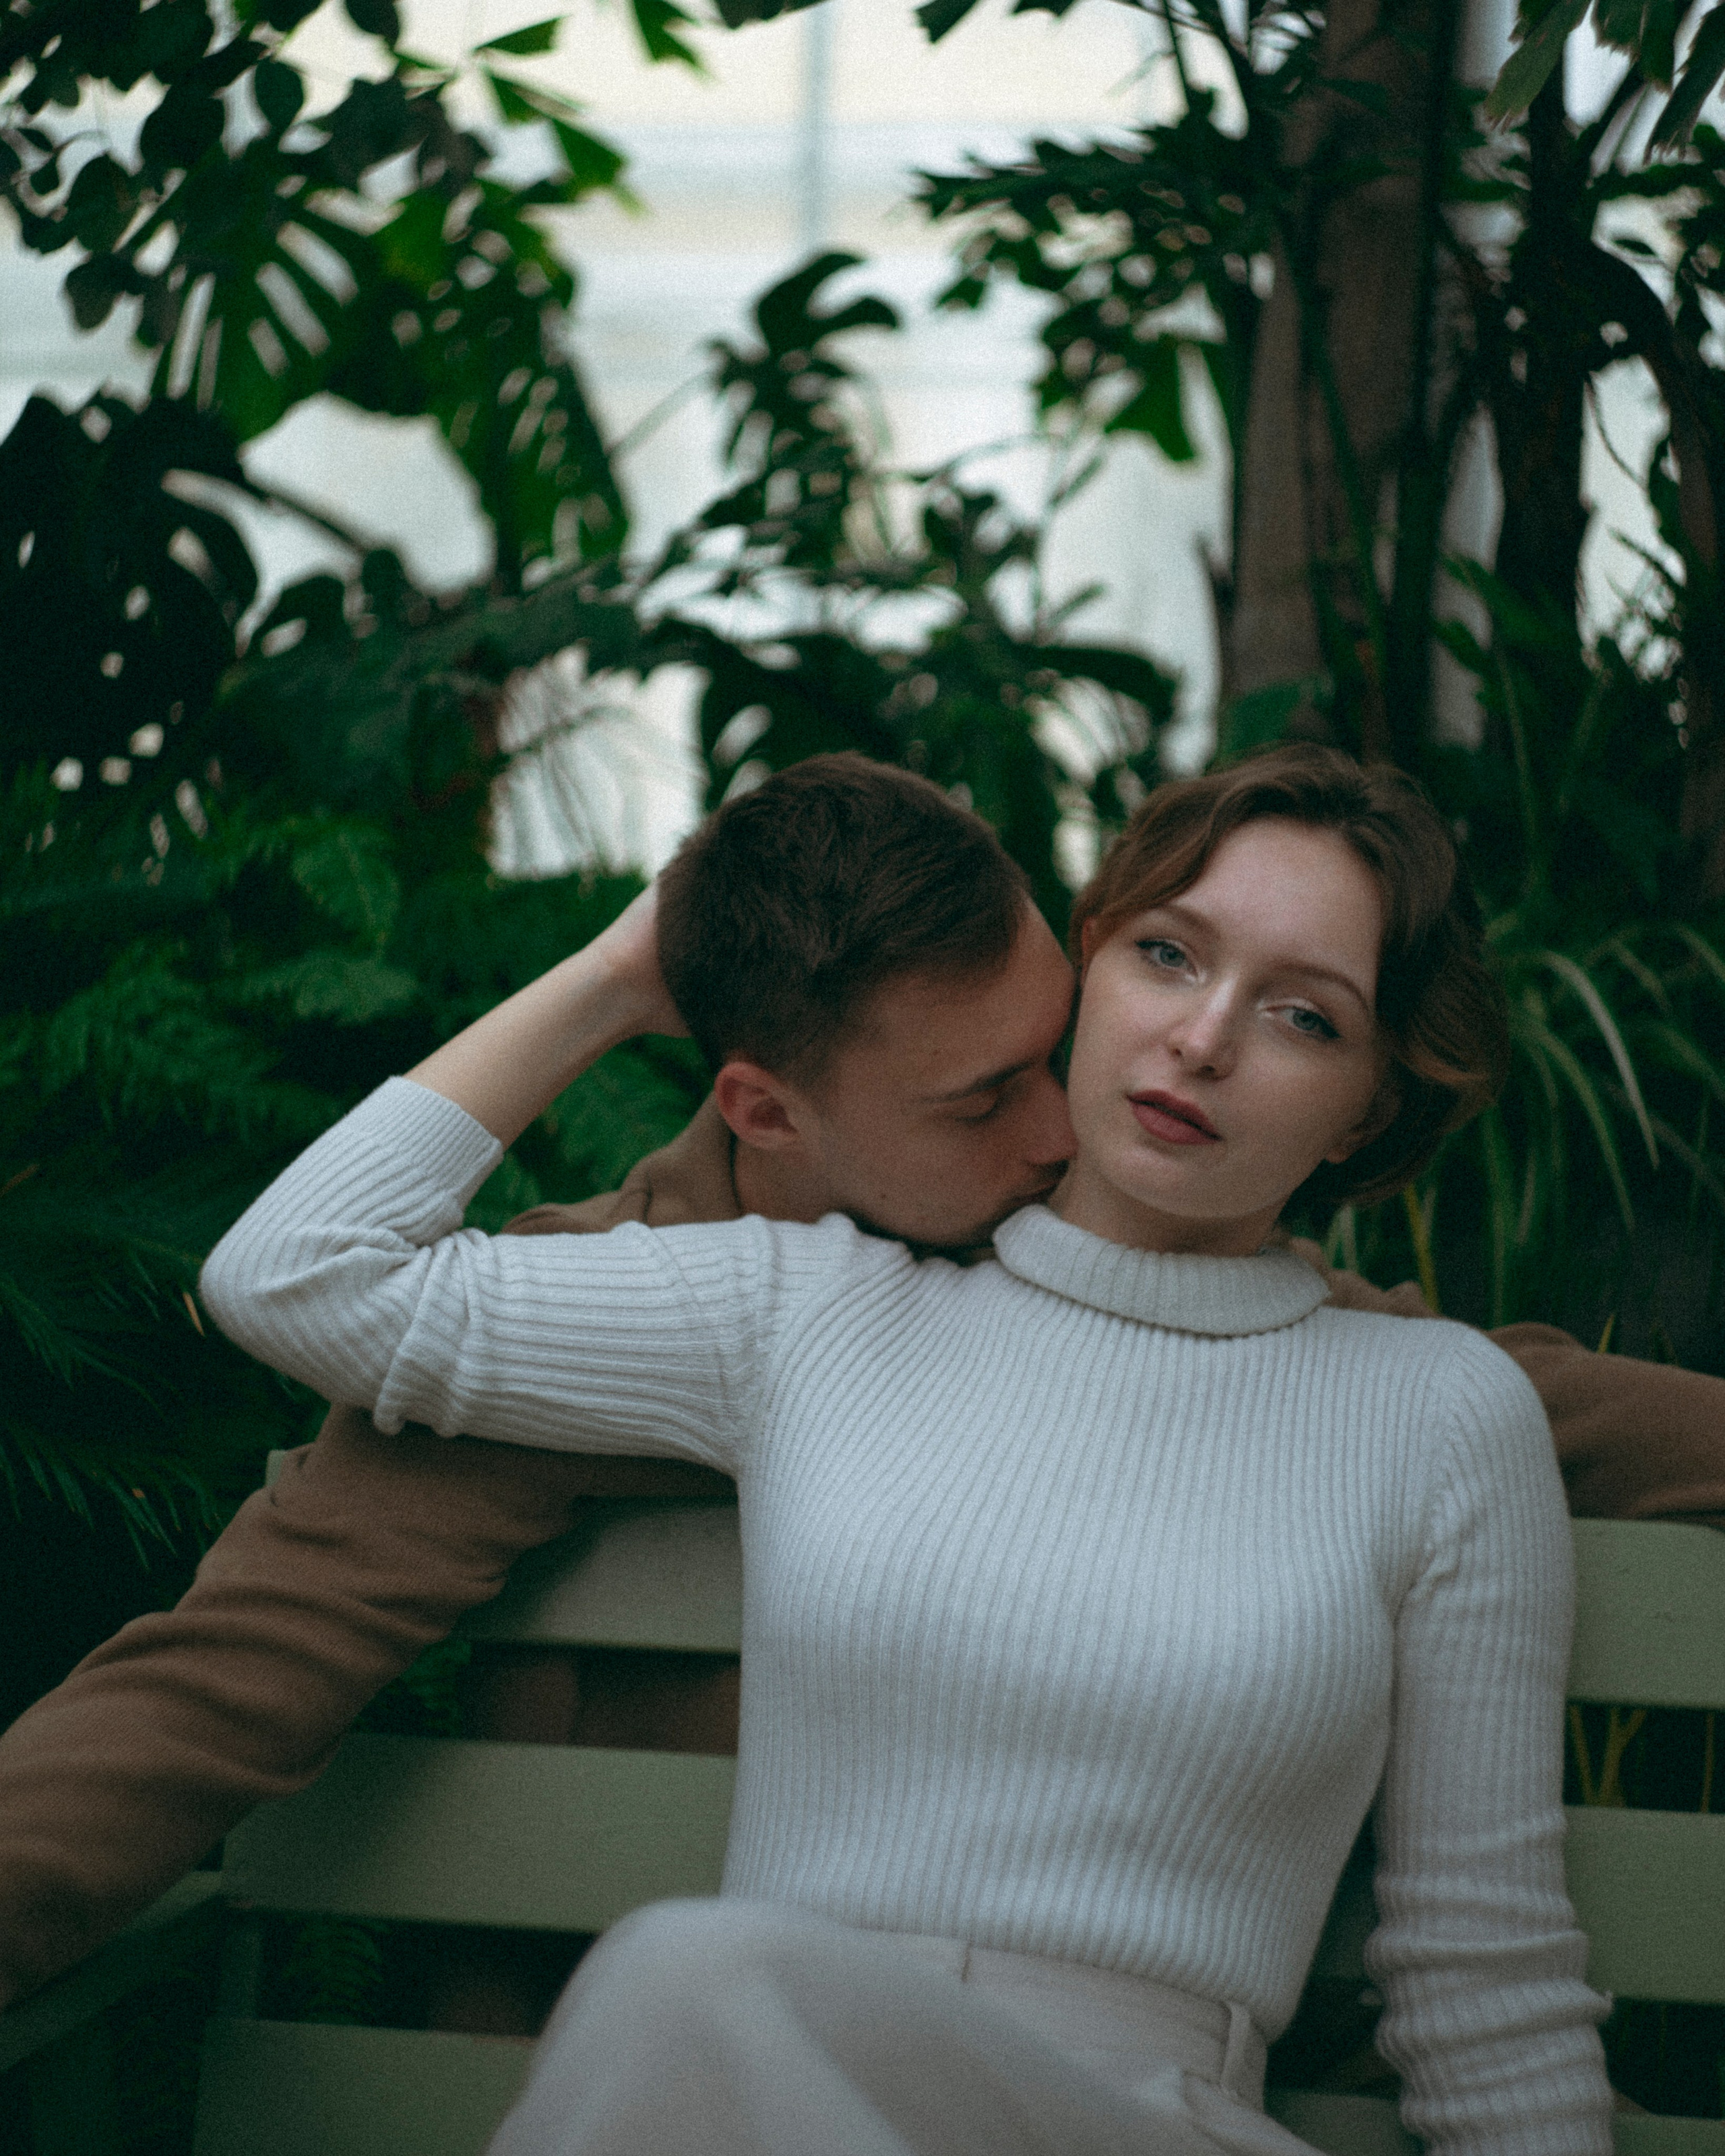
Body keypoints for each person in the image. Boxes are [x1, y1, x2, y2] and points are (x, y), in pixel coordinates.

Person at [0, 751, 1720, 2021]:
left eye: (1057, 1040)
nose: (1069, 1129)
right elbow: (216, 1677)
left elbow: (1440, 1397)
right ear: (770, 1114)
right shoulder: (699, 1301)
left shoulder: (1223, 1283)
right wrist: (618, 968)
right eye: (989, 1103)